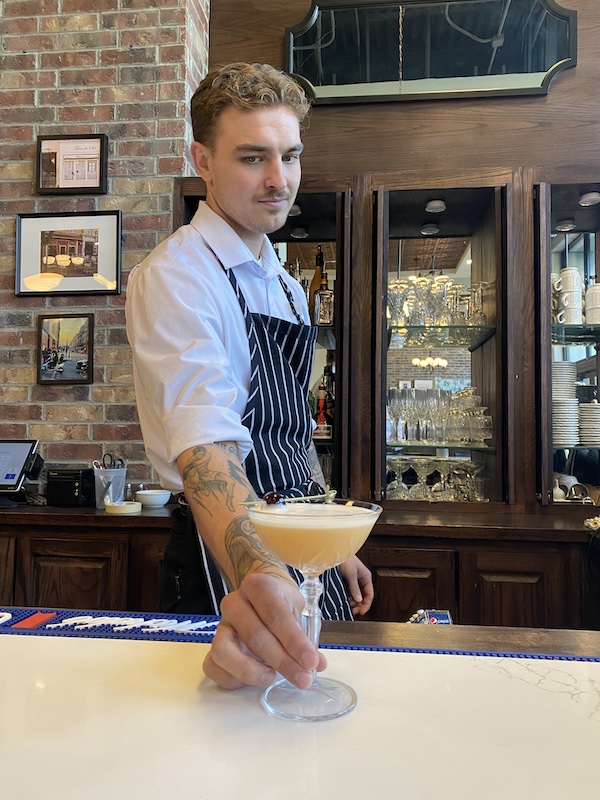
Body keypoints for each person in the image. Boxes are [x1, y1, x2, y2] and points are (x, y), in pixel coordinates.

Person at [125, 62, 373, 691]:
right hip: (228, 559)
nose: (278, 181)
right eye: (253, 158)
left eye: (290, 157)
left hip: (303, 549)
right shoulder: (179, 275)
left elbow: (290, 430)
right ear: (201, 159)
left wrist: (327, 537)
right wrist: (261, 575)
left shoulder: (287, 287)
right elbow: (206, 447)